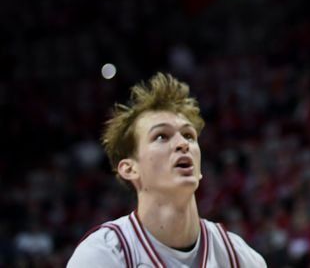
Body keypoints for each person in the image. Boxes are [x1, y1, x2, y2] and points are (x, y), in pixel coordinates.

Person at [67, 72, 267, 267]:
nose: (182, 144)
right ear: (130, 169)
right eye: (161, 136)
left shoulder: (240, 258)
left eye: (189, 135)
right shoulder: (104, 255)